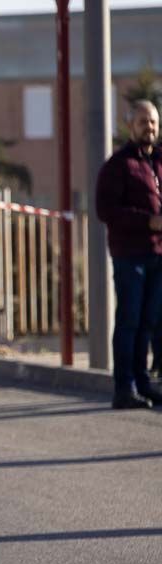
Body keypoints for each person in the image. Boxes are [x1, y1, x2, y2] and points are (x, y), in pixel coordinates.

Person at [95, 100, 162, 409]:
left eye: (153, 122)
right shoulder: (118, 165)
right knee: (130, 320)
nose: (148, 127)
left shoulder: (158, 162)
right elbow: (105, 210)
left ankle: (144, 384)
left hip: (157, 254)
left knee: (149, 322)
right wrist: (147, 221)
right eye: (142, 122)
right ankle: (125, 387)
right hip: (130, 255)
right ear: (130, 125)